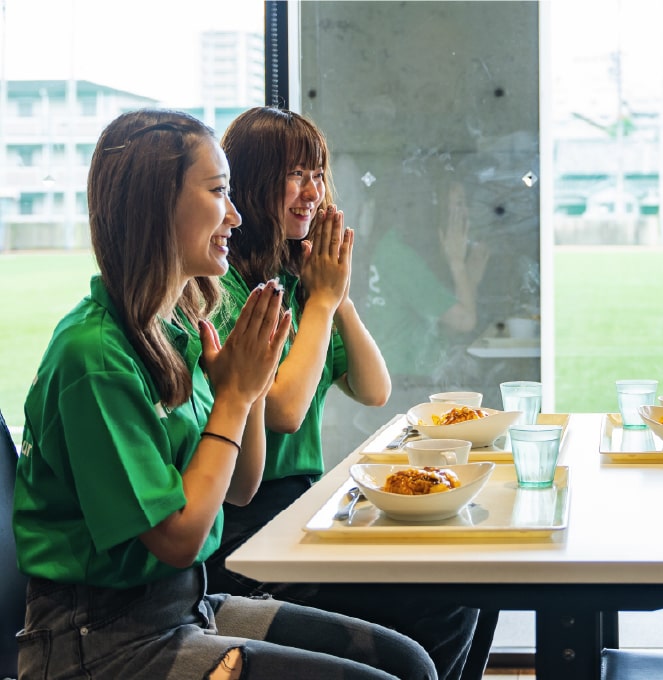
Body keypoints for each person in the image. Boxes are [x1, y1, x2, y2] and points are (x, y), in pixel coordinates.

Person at [12, 108, 437, 680]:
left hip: (185, 607)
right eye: (218, 192)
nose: (233, 215)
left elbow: (241, 485)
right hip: (104, 640)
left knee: (406, 662)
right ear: (157, 205)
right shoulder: (94, 355)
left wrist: (250, 388)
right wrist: (236, 397)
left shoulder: (176, 326)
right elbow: (181, 538)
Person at [204, 106, 485, 680]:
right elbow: (283, 410)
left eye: (319, 175)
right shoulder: (228, 288)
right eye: (296, 175)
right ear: (253, 183)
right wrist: (324, 302)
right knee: (444, 600)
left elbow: (374, 387)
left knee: (465, 582)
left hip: (299, 510)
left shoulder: (296, 284)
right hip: (244, 532)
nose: (313, 192)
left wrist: (338, 296)